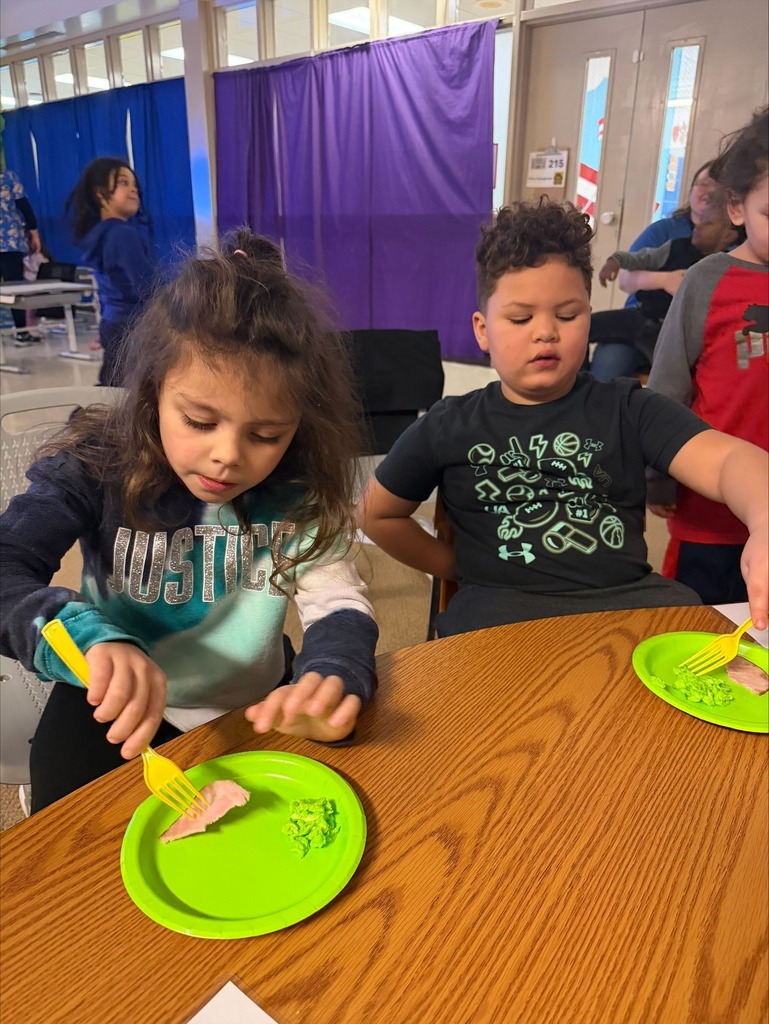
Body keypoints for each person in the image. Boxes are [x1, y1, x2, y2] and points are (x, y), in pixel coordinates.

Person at [0, 230, 379, 813]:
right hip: (106, 696)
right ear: (152, 394)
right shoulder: (95, 467)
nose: (227, 456)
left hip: (253, 701)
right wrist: (85, 637)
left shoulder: (296, 491)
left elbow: (338, 603)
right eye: (200, 422)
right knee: (66, 837)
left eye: (265, 435)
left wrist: (332, 672)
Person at [356, 197, 768, 638]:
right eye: (520, 318)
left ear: (588, 317)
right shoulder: (449, 424)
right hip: (498, 620)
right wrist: (457, 566)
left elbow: (730, 461)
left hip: (628, 608)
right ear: (483, 331)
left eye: (567, 315)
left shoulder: (629, 407)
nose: (546, 332)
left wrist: (763, 523)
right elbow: (375, 514)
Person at [647, 104, 769, 606]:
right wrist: (657, 475)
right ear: (737, 208)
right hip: (710, 516)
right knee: (702, 627)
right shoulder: (708, 280)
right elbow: (667, 387)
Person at [589, 160, 717, 380]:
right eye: (703, 184)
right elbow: (627, 275)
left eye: (716, 187)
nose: (708, 193)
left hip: (679, 332)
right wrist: (665, 280)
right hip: (639, 315)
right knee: (602, 357)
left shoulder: (732, 250)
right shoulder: (670, 236)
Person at [65, 157, 157, 386]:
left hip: (113, 323)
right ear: (100, 194)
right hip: (132, 327)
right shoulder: (123, 235)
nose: (133, 189)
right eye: (123, 183)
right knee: (125, 393)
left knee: (113, 386)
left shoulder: (101, 233)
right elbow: (148, 287)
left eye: (134, 184)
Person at [0, 165, 42, 343]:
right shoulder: (8, 178)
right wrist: (34, 233)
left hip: (10, 241)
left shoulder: (8, 177)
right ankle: (22, 332)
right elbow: (24, 207)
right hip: (10, 242)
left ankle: (21, 330)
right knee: (14, 288)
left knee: (14, 287)